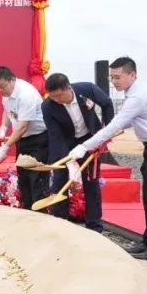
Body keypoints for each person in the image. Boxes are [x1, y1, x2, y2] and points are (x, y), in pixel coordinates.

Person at [69, 57, 147, 259]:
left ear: (132, 74)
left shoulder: (138, 96)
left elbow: (117, 124)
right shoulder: (135, 92)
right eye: (112, 77)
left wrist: (84, 146)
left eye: (118, 77)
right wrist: (103, 138)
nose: (114, 82)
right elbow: (127, 122)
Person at [42, 73, 115, 232]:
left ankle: (94, 226)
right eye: (52, 97)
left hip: (90, 141)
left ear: (69, 88)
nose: (56, 100)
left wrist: (107, 132)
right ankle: (60, 224)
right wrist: (70, 162)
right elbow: (56, 136)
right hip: (64, 144)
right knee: (59, 183)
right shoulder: (47, 106)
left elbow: (107, 104)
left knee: (91, 182)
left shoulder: (87, 89)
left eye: (59, 95)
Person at [0, 66, 49, 210]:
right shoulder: (6, 92)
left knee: (37, 181)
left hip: (38, 140)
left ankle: (40, 217)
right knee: (23, 181)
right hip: (22, 140)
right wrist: (2, 130)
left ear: (12, 80)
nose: (0, 90)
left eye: (2, 86)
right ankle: (27, 214)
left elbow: (23, 126)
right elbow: (7, 111)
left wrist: (5, 147)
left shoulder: (26, 94)